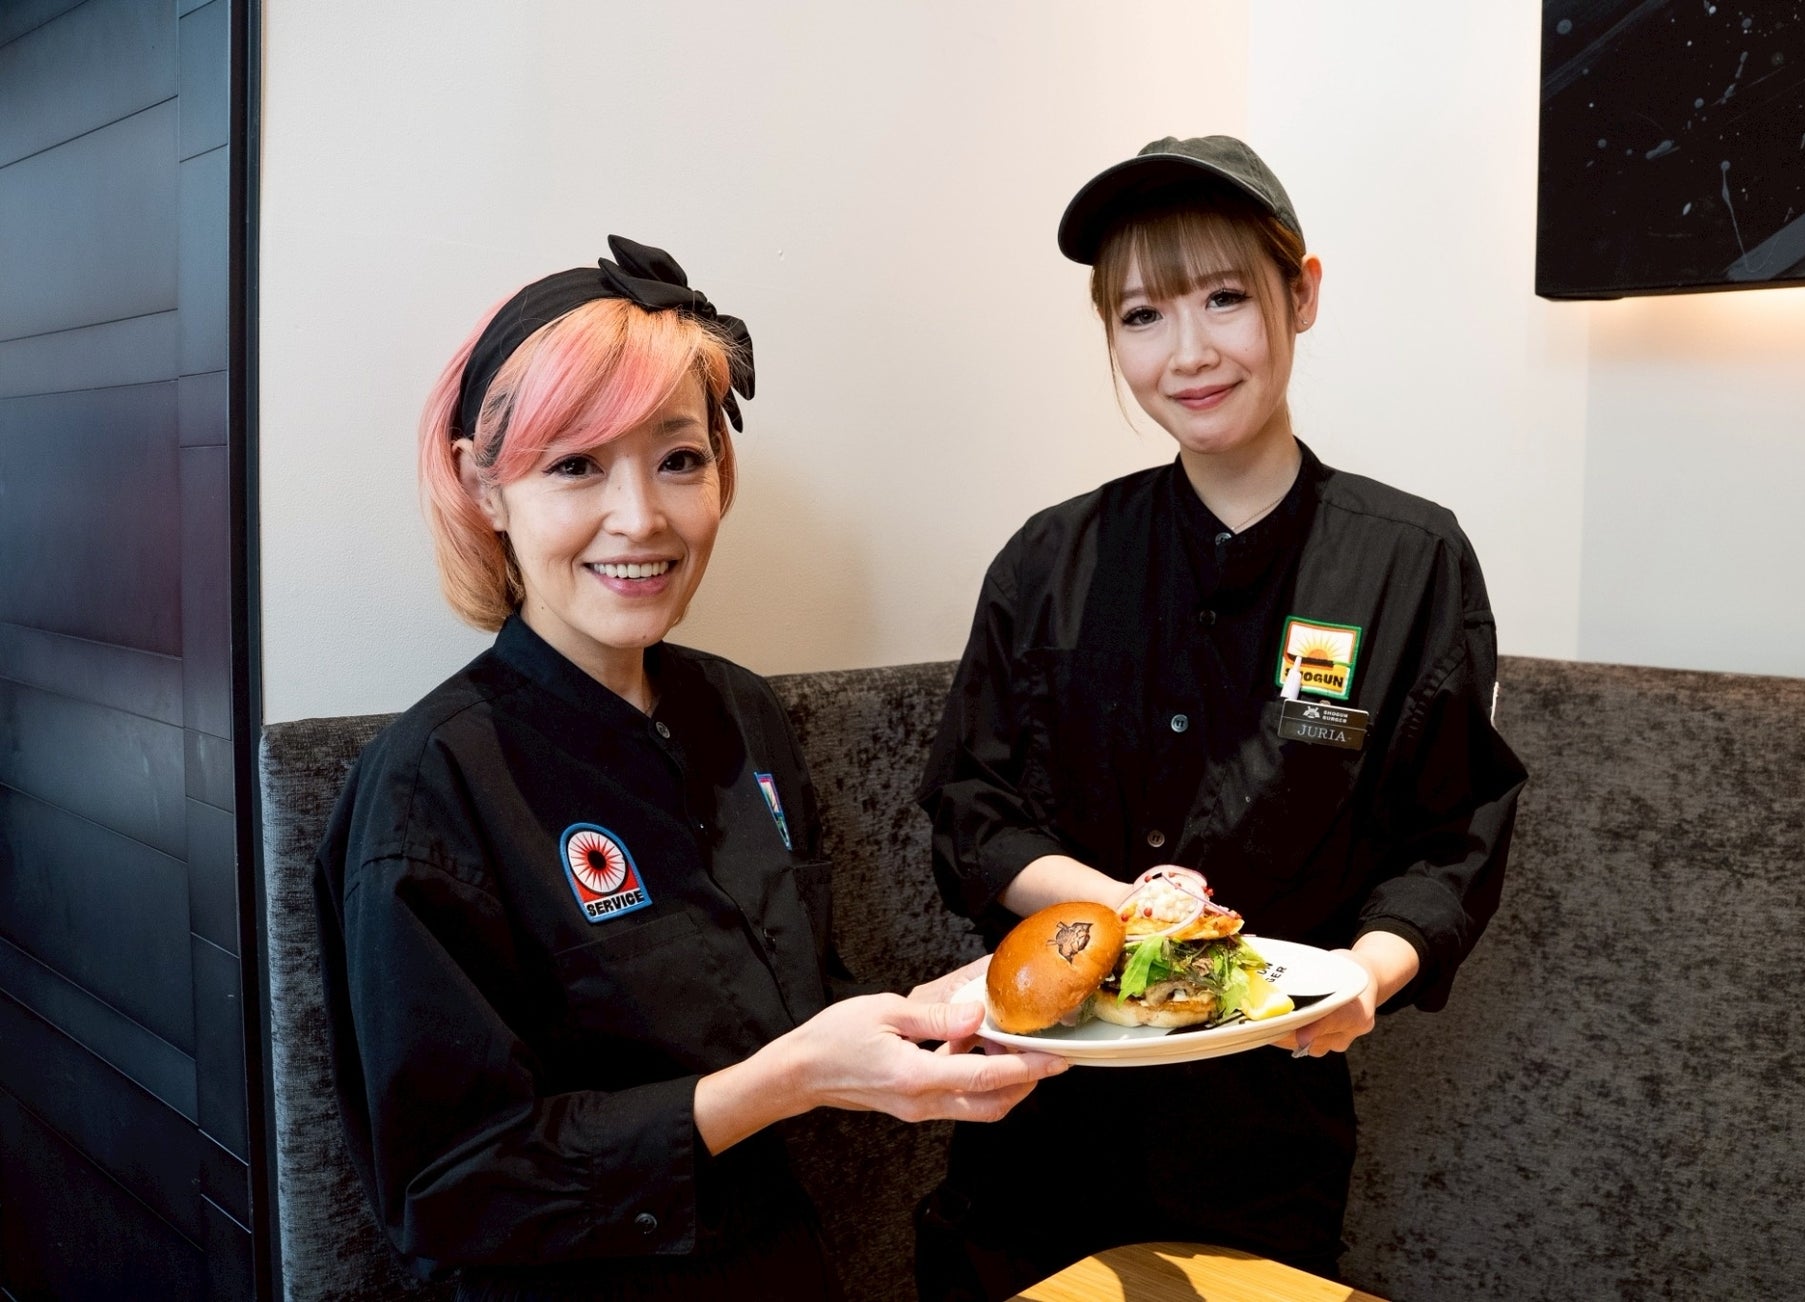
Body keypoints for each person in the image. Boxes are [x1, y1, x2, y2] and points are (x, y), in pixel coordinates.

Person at [314, 237, 1066, 1301]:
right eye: (575, 465)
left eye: (679, 459)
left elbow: (791, 1006)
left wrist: (945, 1013)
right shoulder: (429, 784)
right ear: (486, 488)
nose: (642, 517)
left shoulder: (741, 714)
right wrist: (784, 1081)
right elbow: (450, 1188)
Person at [915, 137, 1528, 1297]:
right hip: (1036, 1112)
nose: (1187, 352)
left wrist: (1367, 974)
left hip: (1264, 1130)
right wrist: (1140, 917)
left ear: (1301, 294)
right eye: (1142, 315)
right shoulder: (1050, 560)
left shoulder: (1409, 560)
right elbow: (971, 810)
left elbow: (1453, 835)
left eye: (1225, 298)